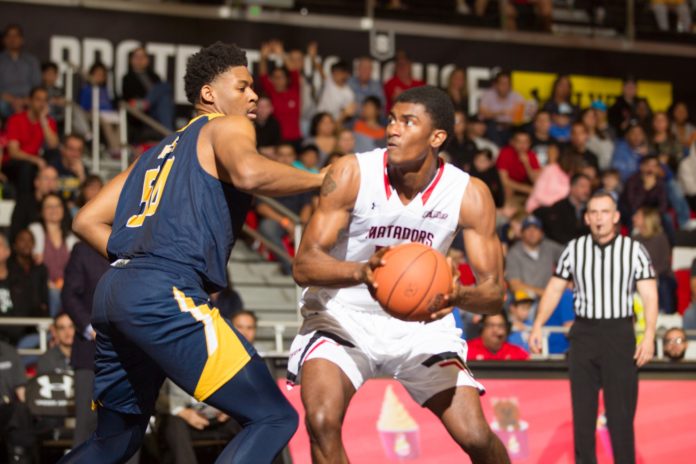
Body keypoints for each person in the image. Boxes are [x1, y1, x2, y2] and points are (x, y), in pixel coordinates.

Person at [57, 42, 327, 464]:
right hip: (163, 289)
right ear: (209, 94)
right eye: (243, 86)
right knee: (273, 417)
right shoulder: (226, 126)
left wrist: (137, 256)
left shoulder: (152, 154)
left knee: (115, 440)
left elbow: (85, 220)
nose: (253, 96)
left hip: (115, 291)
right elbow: (249, 173)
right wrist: (322, 178)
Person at [289, 86, 510, 463]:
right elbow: (304, 265)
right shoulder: (352, 172)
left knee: (475, 436)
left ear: (436, 137)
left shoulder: (468, 194)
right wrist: (363, 272)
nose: (392, 129)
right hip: (343, 316)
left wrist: (458, 295)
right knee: (322, 420)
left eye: (408, 122)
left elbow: (494, 295)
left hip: (421, 324)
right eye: (392, 119)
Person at [530, 190, 658, 464]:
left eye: (605, 212)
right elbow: (554, 289)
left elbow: (649, 294)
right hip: (584, 334)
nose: (600, 218)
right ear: (587, 218)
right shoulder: (574, 249)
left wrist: (649, 336)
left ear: (616, 216)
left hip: (619, 334)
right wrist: (537, 324)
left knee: (621, 417)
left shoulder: (633, 250)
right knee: (583, 416)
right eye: (594, 213)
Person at [61, 239, 111, 449]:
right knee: (87, 427)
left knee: (127, 428)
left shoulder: (136, 245)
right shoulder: (83, 250)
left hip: (129, 354)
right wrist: (90, 329)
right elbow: (69, 294)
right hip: (91, 352)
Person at [28, 193, 78, 316]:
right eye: (49, 206)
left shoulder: (72, 237)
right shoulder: (34, 231)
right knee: (55, 294)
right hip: (43, 289)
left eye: (57, 206)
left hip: (67, 286)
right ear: (41, 211)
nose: (54, 210)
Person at [5, 86, 59, 196]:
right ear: (30, 101)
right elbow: (13, 152)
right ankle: (25, 202)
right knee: (26, 167)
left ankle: (50, 198)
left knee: (54, 157)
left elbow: (53, 145)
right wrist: (35, 160)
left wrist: (43, 122)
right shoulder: (16, 119)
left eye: (45, 100)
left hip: (35, 162)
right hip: (14, 163)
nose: (42, 104)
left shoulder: (48, 121)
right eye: (38, 99)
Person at [505, 215, 563, 298]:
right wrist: (545, 293)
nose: (532, 232)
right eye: (528, 229)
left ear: (542, 233)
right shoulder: (513, 253)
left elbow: (571, 258)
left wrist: (568, 282)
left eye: (536, 228)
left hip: (548, 297)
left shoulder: (549, 247)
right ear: (522, 233)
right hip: (524, 298)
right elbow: (515, 286)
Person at [258, 40, 303, 147]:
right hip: (277, 140)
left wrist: (281, 54)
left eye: (280, 77)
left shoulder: (295, 90)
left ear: (287, 79)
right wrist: (263, 58)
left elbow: (294, 71)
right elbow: (263, 75)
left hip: (295, 139)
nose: (277, 80)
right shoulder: (271, 92)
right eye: (275, 77)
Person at [632, 207, 675, 313]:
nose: (633, 218)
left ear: (647, 219)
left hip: (661, 276)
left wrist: (652, 274)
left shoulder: (661, 238)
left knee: (663, 284)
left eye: (638, 216)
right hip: (640, 276)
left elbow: (665, 264)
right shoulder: (634, 239)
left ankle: (665, 314)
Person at [121, 47, 174, 130]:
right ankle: (169, 132)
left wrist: (148, 101)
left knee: (166, 89)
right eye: (137, 57)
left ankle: (146, 102)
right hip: (141, 111)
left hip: (155, 108)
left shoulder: (154, 76)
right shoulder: (127, 78)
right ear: (131, 60)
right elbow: (129, 99)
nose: (140, 60)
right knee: (164, 97)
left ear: (147, 60)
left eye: (142, 57)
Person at [535, 173, 592, 245]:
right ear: (572, 187)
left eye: (589, 187)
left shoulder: (590, 209)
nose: (587, 190)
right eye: (583, 186)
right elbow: (556, 234)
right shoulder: (559, 208)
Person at [78, 62, 121, 155]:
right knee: (105, 122)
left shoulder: (105, 90)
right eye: (97, 74)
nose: (99, 77)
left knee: (120, 120)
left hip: (106, 114)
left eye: (102, 75)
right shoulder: (87, 89)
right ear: (91, 75)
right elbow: (83, 106)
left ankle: (120, 146)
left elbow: (109, 105)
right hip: (91, 113)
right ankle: (115, 148)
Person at [0, 24, 41, 118]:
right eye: (9, 36)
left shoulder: (31, 61)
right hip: (5, 100)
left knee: (43, 105)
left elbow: (37, 85)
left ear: (22, 40)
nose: (13, 39)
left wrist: (26, 100)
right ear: (4, 40)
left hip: (28, 100)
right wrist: (12, 100)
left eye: (16, 36)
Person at [9, 165, 58, 241]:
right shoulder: (24, 203)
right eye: (46, 178)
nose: (50, 183)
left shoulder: (61, 204)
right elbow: (16, 232)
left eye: (54, 179)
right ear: (36, 182)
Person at [478, 70, 526, 146]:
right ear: (496, 85)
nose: (505, 87)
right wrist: (501, 113)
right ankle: (498, 150)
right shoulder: (488, 95)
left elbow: (522, 117)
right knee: (490, 126)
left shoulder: (517, 97)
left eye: (507, 84)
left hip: (511, 128)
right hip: (493, 128)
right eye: (502, 83)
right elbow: (482, 113)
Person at [496, 130, 540, 205]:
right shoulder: (505, 153)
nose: (522, 145)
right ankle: (506, 209)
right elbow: (504, 181)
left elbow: (536, 180)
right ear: (512, 142)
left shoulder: (532, 155)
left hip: (524, 183)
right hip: (508, 184)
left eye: (525, 142)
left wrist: (527, 164)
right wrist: (526, 189)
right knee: (507, 189)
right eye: (519, 142)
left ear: (530, 144)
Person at [47, 134, 87, 205]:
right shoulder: (52, 168)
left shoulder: (84, 170)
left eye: (79, 150)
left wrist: (81, 175)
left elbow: (87, 197)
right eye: (71, 149)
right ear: (63, 149)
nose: (75, 154)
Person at [316, 60, 356, 125]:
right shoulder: (329, 80)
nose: (335, 75)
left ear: (346, 74)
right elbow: (320, 70)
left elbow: (346, 114)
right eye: (334, 72)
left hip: (333, 123)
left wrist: (334, 125)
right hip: (318, 119)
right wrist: (313, 58)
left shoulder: (349, 94)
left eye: (339, 73)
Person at [581, 105, 615, 171]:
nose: (591, 119)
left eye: (593, 116)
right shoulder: (576, 137)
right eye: (588, 116)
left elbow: (607, 160)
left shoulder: (604, 138)